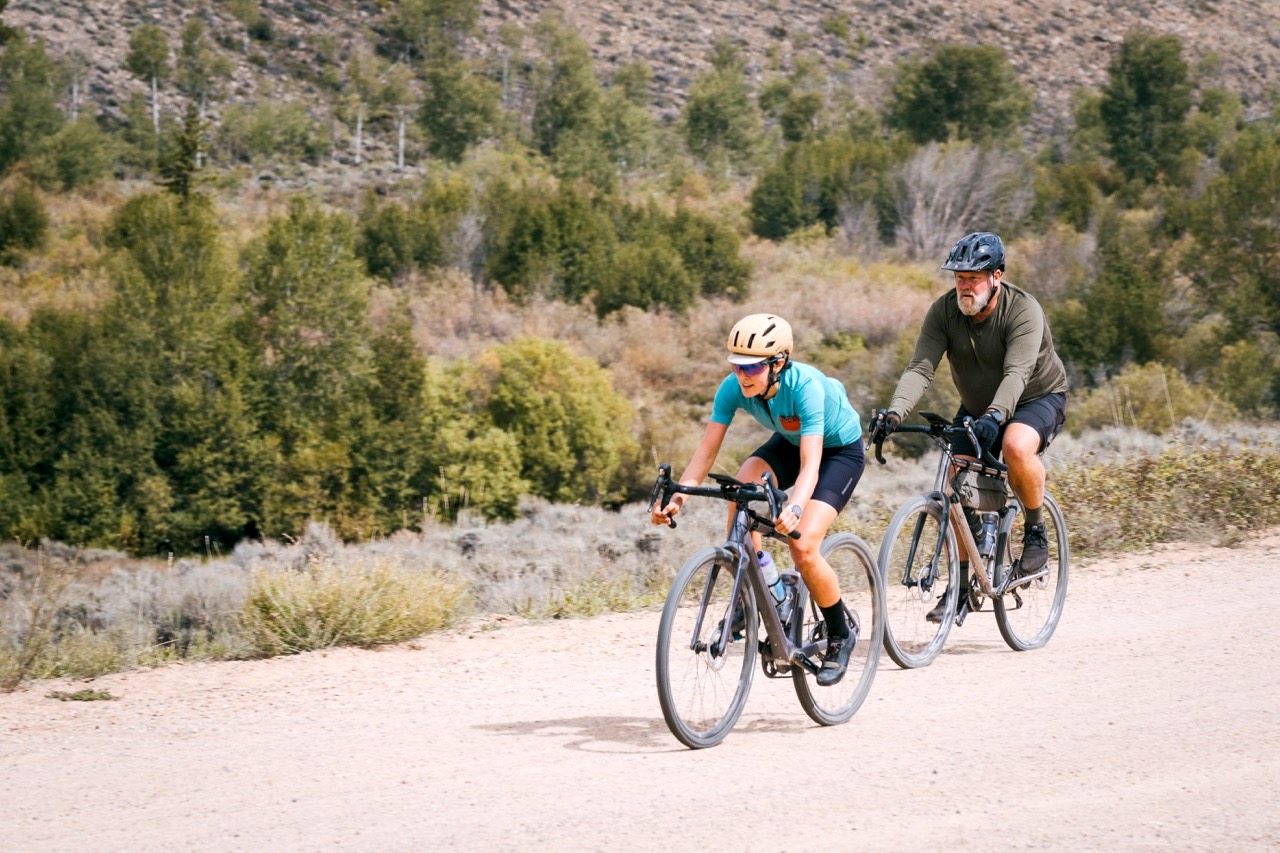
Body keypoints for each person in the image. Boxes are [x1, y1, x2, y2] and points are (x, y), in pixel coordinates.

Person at [651, 313, 866, 686]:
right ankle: (764, 591)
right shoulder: (732, 387)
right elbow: (705, 453)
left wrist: (796, 507)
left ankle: (840, 632)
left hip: (838, 452)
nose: (741, 374)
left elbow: (811, 465)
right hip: (790, 440)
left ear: (778, 362)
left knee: (804, 547)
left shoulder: (806, 387)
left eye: (751, 366)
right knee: (741, 486)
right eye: (736, 365)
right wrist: (679, 498)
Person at [868, 231, 1067, 622]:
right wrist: (894, 414)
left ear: (996, 277)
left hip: (1035, 397)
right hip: (979, 406)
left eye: (973, 278)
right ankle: (962, 583)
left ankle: (1035, 531)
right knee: (952, 478)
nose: (964, 286)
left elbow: (1017, 372)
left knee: (1015, 446)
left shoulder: (1023, 310)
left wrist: (995, 417)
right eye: (959, 278)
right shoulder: (944, 312)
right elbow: (921, 367)